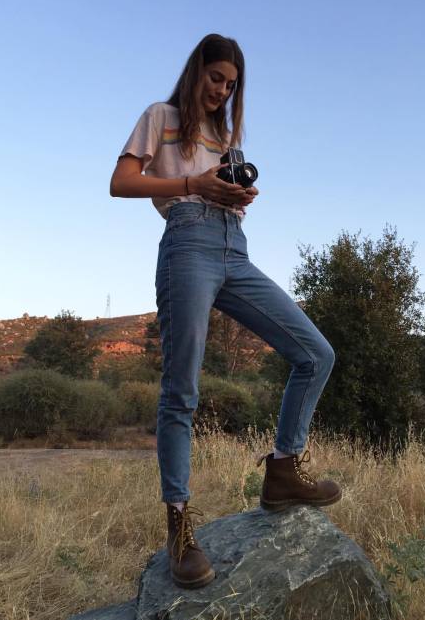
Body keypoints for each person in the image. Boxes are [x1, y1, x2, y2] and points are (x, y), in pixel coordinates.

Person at [109, 33, 342, 590]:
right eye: (216, 78)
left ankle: (283, 469)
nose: (222, 90)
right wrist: (194, 183)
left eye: (232, 84)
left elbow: (224, 189)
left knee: (315, 352)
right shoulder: (160, 115)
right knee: (181, 389)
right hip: (187, 242)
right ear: (196, 72)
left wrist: (235, 195)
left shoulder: (226, 135)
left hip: (233, 248)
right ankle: (180, 529)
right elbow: (121, 182)